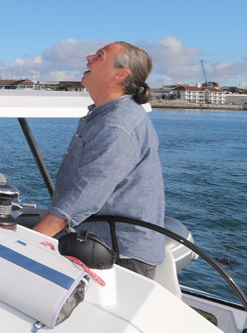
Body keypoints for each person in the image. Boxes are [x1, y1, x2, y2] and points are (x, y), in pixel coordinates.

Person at [33, 42, 166, 277]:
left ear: (120, 74)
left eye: (99, 56)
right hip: (100, 245)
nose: (89, 57)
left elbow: (88, 192)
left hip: (118, 255)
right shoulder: (107, 115)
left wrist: (31, 241)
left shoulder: (116, 125)